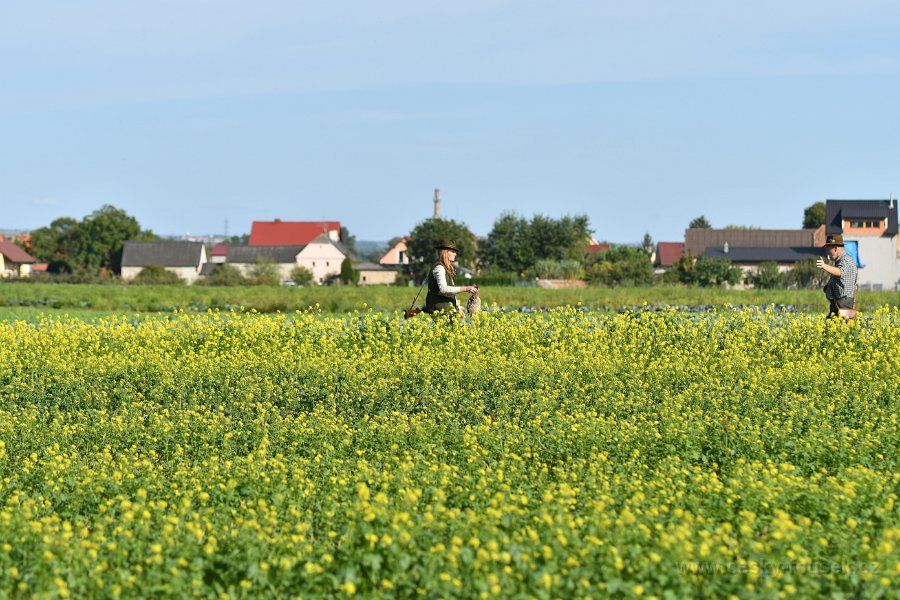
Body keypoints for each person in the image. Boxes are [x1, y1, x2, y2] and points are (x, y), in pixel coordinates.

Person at [424, 240, 477, 316]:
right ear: (445, 252)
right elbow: (444, 289)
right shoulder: (439, 268)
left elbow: (452, 293)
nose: (455, 254)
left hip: (447, 309)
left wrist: (458, 307)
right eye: (452, 251)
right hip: (439, 310)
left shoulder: (447, 268)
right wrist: (466, 288)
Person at [816, 234, 858, 318]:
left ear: (836, 248)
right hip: (839, 303)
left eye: (828, 249)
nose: (827, 252)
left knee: (838, 328)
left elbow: (840, 272)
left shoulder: (845, 260)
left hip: (842, 303)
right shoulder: (842, 260)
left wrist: (825, 266)